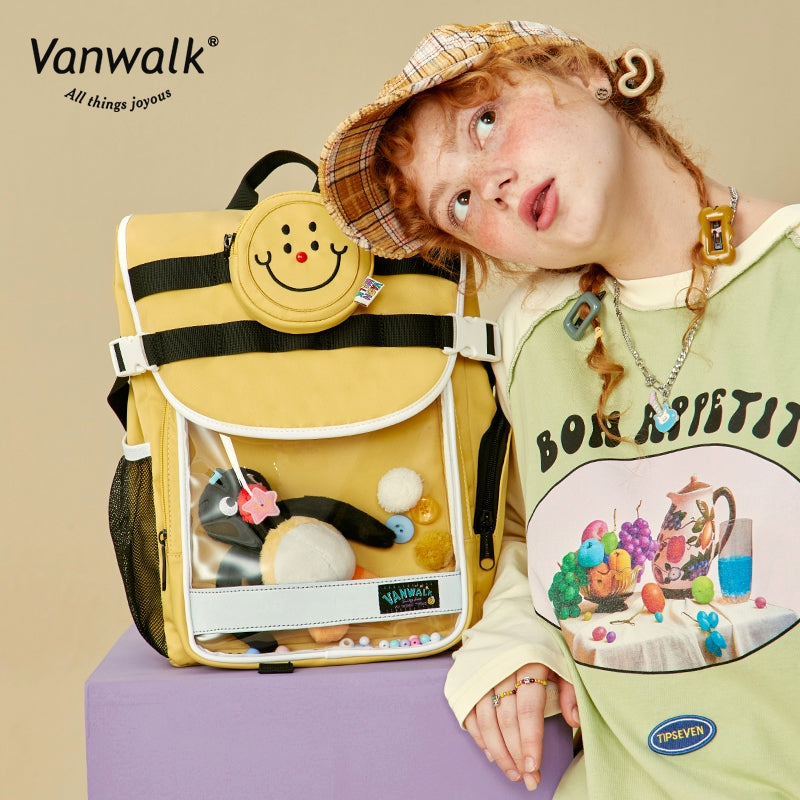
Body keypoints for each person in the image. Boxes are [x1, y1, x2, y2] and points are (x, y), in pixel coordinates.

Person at [320, 20, 800, 798]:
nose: (492, 186)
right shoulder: (535, 337)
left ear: (584, 74)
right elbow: (527, 530)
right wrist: (517, 642)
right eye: (460, 202)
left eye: (485, 122)